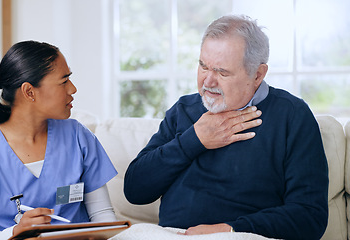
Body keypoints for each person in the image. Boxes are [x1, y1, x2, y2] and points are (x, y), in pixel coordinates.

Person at [123, 15, 328, 240]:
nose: (207, 82)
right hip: (173, 235)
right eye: (203, 66)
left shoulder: (292, 115)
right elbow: (135, 190)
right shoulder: (184, 109)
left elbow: (310, 216)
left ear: (258, 74)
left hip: (242, 236)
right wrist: (194, 140)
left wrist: (228, 229)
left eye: (222, 72)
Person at [0, 40, 118, 240]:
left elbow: (102, 215)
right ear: (29, 92)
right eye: (64, 81)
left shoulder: (79, 137)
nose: (73, 89)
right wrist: (15, 232)